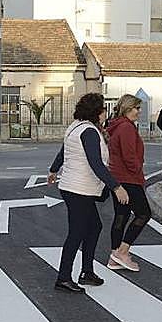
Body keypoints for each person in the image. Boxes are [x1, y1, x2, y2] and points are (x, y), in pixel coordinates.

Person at [48, 93, 130, 294]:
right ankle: (63, 278)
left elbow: (63, 152)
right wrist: (116, 187)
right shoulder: (89, 132)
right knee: (77, 232)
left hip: (73, 187)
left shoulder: (75, 126)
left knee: (94, 227)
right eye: (102, 109)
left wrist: (53, 169)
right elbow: (96, 164)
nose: (105, 113)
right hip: (78, 189)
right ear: (97, 112)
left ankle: (87, 272)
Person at [105, 94, 151, 272]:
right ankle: (122, 251)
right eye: (137, 108)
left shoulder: (117, 125)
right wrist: (138, 170)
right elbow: (129, 156)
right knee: (143, 214)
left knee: (121, 215)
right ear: (127, 108)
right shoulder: (126, 128)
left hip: (117, 177)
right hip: (128, 179)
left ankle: (114, 256)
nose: (139, 112)